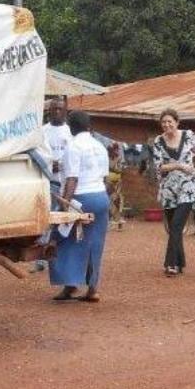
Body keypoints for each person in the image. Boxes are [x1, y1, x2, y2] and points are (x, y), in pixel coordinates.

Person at [49, 111, 111, 302]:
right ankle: (93, 289)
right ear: (88, 126)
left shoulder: (73, 147)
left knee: (63, 239)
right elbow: (105, 177)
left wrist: (65, 206)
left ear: (71, 126)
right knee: (94, 244)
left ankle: (70, 285)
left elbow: (72, 179)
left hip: (81, 199)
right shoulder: (100, 146)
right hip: (101, 197)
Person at [151, 108, 195, 276]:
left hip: (187, 187)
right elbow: (159, 167)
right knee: (173, 227)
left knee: (177, 225)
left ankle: (171, 264)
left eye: (170, 121)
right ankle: (180, 261)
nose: (167, 125)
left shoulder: (189, 135)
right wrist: (178, 165)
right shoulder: (158, 141)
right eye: (163, 122)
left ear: (177, 122)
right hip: (169, 189)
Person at [32, 97, 71, 273]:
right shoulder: (42, 131)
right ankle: (41, 258)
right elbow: (37, 153)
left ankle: (61, 256)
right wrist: (49, 165)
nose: (56, 112)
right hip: (47, 181)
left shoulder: (70, 132)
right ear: (48, 112)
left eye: (60, 109)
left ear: (65, 111)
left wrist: (62, 164)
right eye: (53, 109)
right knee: (47, 218)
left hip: (68, 183)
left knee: (65, 220)